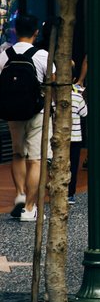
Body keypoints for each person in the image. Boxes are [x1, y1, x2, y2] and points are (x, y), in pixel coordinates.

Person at [3, 12, 48, 221]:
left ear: (15, 31)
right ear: (36, 32)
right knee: (35, 160)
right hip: (37, 112)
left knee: (18, 154)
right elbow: (53, 79)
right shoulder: (42, 55)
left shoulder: (4, 55)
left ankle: (20, 194)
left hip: (13, 112)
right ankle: (30, 208)